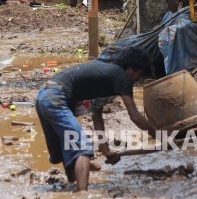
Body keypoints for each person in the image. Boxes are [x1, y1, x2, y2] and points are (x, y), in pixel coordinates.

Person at [35, 47, 157, 191]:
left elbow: (96, 115)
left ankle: (72, 186)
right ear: (130, 68)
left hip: (43, 96)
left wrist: (105, 150)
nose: (137, 79)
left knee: (64, 150)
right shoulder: (122, 77)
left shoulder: (105, 75)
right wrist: (160, 135)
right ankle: (83, 194)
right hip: (56, 97)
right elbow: (135, 115)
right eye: (139, 74)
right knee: (83, 148)